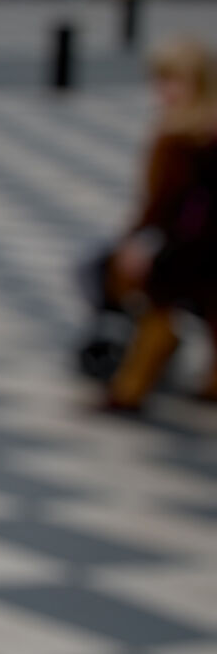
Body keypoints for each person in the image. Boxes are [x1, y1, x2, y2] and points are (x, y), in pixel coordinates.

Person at [96, 36, 217, 411]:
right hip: (198, 242)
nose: (163, 91)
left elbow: (162, 204)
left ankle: (131, 389)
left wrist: (139, 242)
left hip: (191, 245)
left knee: (155, 305)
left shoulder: (180, 137)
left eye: (173, 81)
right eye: (159, 80)